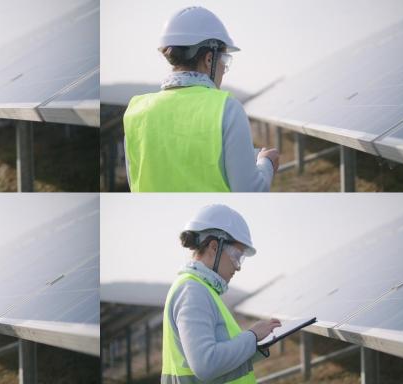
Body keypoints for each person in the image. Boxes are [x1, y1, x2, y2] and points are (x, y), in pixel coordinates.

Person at [123, 6, 280, 192]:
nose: (224, 69)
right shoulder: (227, 109)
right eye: (224, 61)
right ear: (208, 59)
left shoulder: (136, 111)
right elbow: (251, 191)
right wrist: (266, 163)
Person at [162, 204, 281, 383]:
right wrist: (252, 336)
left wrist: (255, 344)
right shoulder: (193, 292)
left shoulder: (201, 288)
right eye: (236, 256)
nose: (238, 267)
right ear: (214, 247)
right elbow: (206, 364)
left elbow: (219, 361)